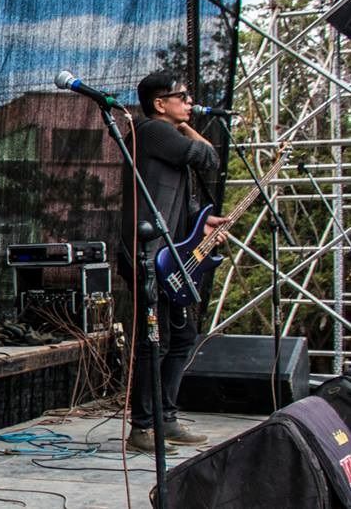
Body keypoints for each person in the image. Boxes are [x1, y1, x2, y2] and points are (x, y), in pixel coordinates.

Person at [119, 72, 225, 454]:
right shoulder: (151, 131)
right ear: (159, 104)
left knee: (182, 337)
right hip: (148, 255)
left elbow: (179, 192)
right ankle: (143, 427)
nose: (190, 102)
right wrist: (190, 129)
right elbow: (207, 157)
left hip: (171, 255)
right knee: (155, 341)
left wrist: (202, 222)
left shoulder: (168, 138)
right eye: (182, 96)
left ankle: (167, 417)